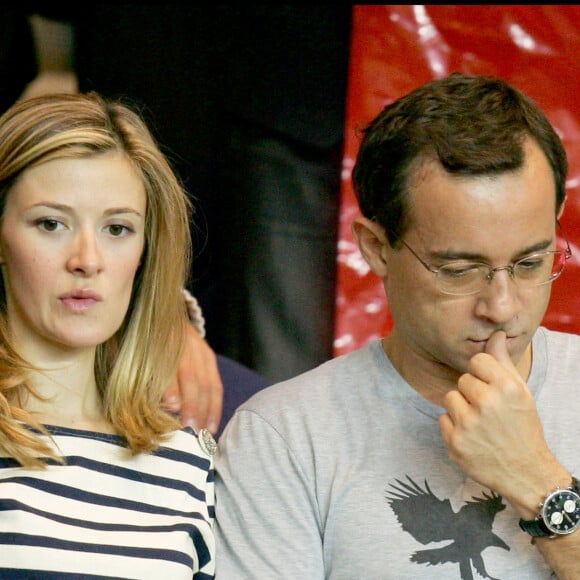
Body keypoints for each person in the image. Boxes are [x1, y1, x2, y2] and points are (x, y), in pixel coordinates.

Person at [215, 72, 580, 579]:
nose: (501, 306)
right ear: (376, 248)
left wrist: (539, 483)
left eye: (531, 262)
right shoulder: (286, 438)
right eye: (460, 271)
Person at [0, 92, 215, 577]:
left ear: (145, 252)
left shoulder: (186, 465)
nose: (87, 259)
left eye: (117, 229)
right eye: (51, 223)